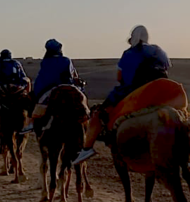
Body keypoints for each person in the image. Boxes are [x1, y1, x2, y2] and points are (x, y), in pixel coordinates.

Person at [71, 25, 171, 165]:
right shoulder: (160, 51)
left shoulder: (129, 53)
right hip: (160, 92)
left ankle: (87, 148)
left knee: (98, 114)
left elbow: (120, 77)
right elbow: (167, 69)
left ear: (133, 39)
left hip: (133, 91)